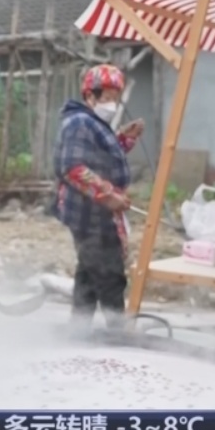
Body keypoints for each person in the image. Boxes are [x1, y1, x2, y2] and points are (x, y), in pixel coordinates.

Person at [53, 64, 144, 329]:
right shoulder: (79, 122)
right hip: (90, 216)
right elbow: (73, 167)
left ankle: (78, 330)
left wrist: (124, 139)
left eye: (116, 98)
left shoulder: (93, 123)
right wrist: (108, 195)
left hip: (96, 214)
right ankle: (117, 332)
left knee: (89, 275)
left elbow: (100, 159)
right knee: (109, 275)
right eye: (107, 97)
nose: (112, 104)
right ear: (90, 96)